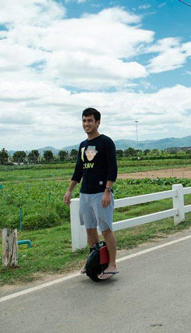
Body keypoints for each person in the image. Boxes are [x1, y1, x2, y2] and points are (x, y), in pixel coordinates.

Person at [63, 107, 118, 280]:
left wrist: (107, 191)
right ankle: (93, 261)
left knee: (106, 229)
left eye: (90, 121)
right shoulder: (82, 145)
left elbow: (112, 168)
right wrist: (70, 189)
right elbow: (78, 170)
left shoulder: (106, 142)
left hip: (100, 193)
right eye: (84, 121)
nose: (86, 124)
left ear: (97, 122)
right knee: (90, 230)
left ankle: (112, 264)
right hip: (85, 194)